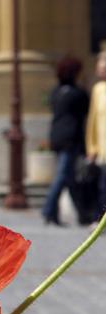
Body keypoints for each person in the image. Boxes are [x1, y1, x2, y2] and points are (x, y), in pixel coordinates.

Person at [42, 56, 89, 225]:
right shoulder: (78, 93)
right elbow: (85, 116)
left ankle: (83, 214)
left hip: (56, 137)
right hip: (71, 138)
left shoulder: (55, 92)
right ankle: (47, 210)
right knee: (62, 176)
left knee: (69, 179)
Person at [88, 52, 106, 220]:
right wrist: (92, 147)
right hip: (103, 151)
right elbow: (92, 121)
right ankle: (99, 220)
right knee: (102, 187)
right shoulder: (98, 90)